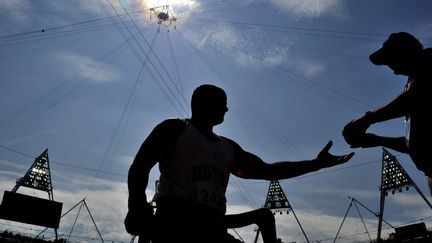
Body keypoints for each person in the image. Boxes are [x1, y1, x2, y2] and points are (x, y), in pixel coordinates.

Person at [125, 84, 354, 243]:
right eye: (222, 103)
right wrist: (136, 208)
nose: (226, 109)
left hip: (212, 227)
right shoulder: (175, 129)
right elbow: (139, 167)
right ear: (205, 104)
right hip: (175, 224)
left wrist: (315, 164)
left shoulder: (227, 147)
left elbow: (267, 170)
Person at [342, 32, 431, 188]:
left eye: (391, 62)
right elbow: (415, 144)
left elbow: (411, 99)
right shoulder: (413, 82)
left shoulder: (430, 60)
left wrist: (366, 120)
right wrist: (378, 140)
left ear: (403, 52)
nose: (394, 71)